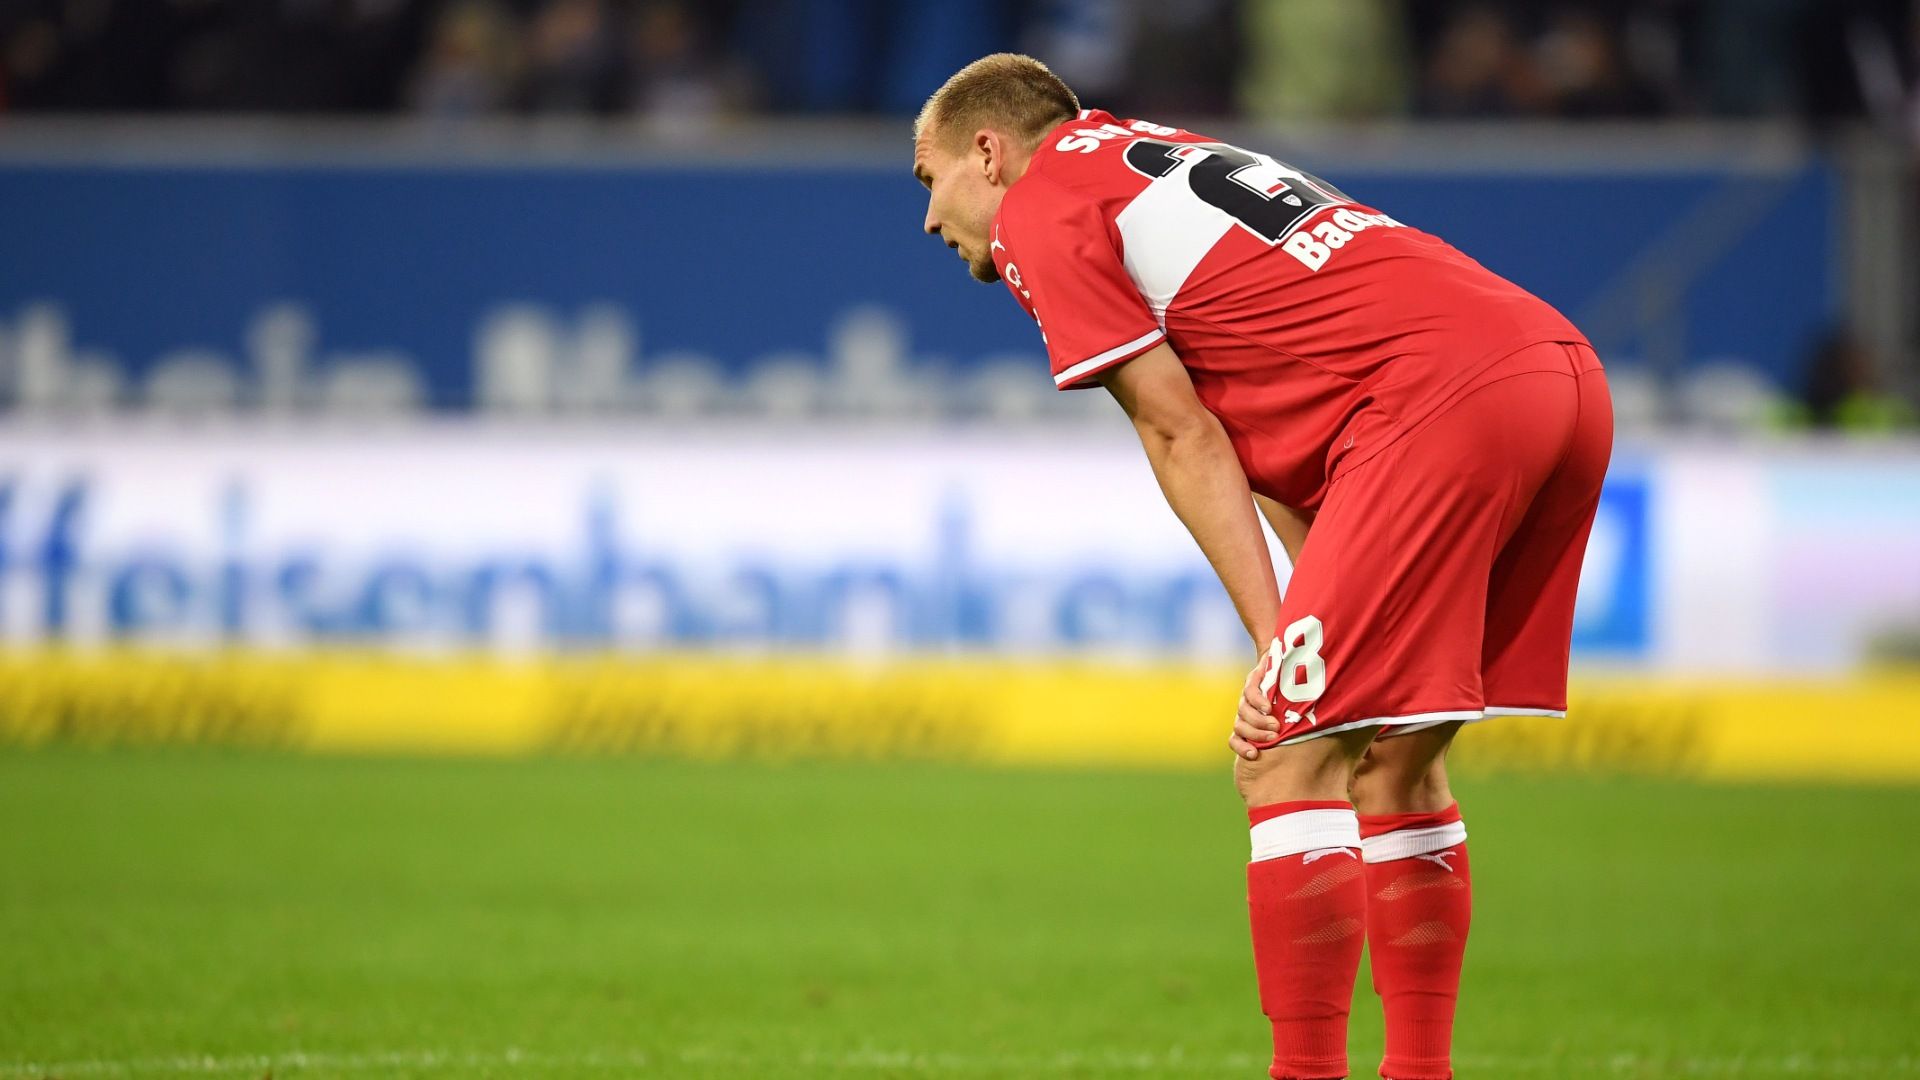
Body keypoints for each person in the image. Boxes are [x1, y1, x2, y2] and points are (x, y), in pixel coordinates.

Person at [910, 54, 1612, 1080]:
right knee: (1394, 759)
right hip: (1555, 375)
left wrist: (1278, 650)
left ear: (990, 150)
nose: (931, 220)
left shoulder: (1043, 205)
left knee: (1286, 753)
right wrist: (1303, 642)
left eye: (929, 182)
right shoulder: (1150, 163)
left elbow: (1177, 432)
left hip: (1439, 402)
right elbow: (1291, 442)